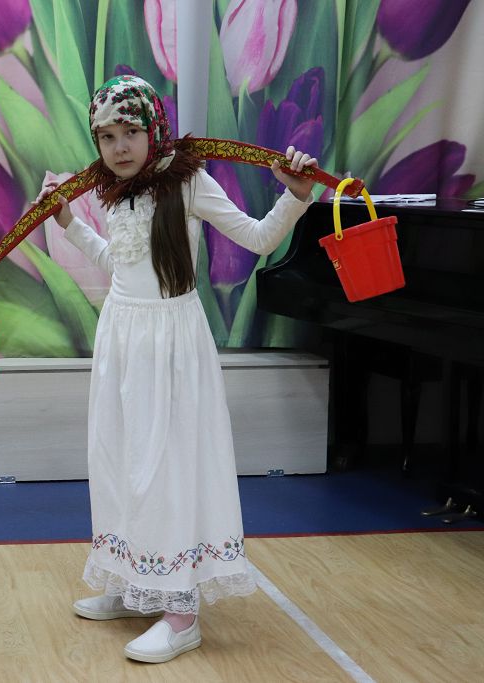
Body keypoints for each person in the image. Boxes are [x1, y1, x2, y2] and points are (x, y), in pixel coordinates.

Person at [35, 75, 318, 664]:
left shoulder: (188, 181)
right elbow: (118, 262)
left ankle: (181, 613)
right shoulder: (117, 191)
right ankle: (132, 580)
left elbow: (258, 238)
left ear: (154, 128)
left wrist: (294, 196)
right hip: (122, 338)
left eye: (130, 132)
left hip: (170, 343)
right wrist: (69, 222)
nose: (119, 147)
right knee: (119, 460)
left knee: (166, 468)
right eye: (106, 136)